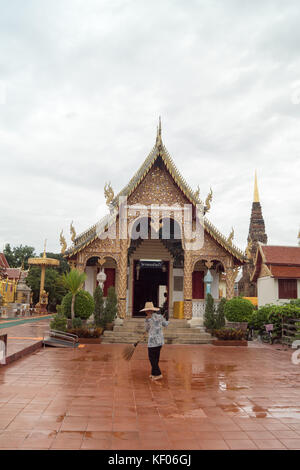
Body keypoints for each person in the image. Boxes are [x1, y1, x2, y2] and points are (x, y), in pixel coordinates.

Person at [140, 301, 168, 381]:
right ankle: (153, 373)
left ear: (147, 311)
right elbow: (165, 324)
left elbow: (147, 329)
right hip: (160, 341)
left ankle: (158, 374)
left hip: (152, 342)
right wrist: (165, 318)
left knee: (152, 358)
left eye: (147, 311)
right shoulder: (159, 317)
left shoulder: (147, 319)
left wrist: (147, 323)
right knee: (156, 358)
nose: (147, 312)